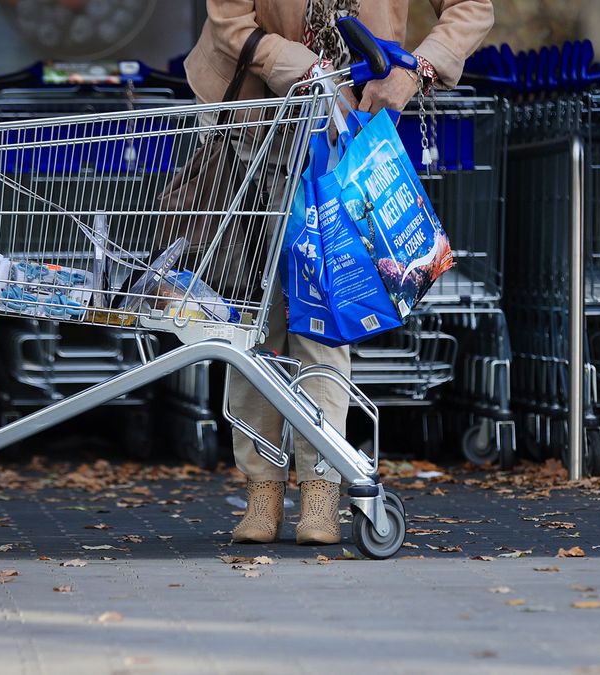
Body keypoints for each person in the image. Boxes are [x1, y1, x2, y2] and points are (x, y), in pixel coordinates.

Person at [183, 0, 493, 544]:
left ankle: (322, 488)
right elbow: (229, 22)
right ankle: (262, 490)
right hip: (256, 125)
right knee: (256, 322)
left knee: (323, 314)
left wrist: (410, 71)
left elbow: (471, 9)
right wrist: (302, 66)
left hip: (348, 134)